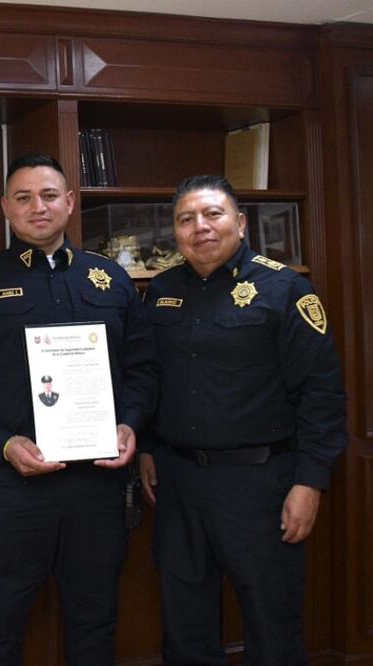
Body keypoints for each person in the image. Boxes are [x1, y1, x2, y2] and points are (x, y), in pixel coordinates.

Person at [0, 153, 157, 665]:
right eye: (24, 197)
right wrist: (3, 443)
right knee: (2, 620)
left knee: (95, 618)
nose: (39, 207)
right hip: (11, 486)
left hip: (97, 484)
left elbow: (143, 369)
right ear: (5, 207)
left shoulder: (110, 279)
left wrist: (130, 424)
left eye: (50, 195)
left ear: (70, 202)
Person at [139, 175, 347, 665]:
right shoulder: (162, 289)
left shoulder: (285, 289)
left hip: (259, 483)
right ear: (175, 231)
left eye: (213, 214)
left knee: (272, 621)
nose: (200, 226)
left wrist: (310, 483)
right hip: (179, 481)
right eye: (186, 219)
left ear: (240, 222)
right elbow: (149, 377)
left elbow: (321, 395)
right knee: (185, 622)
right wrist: (146, 446)